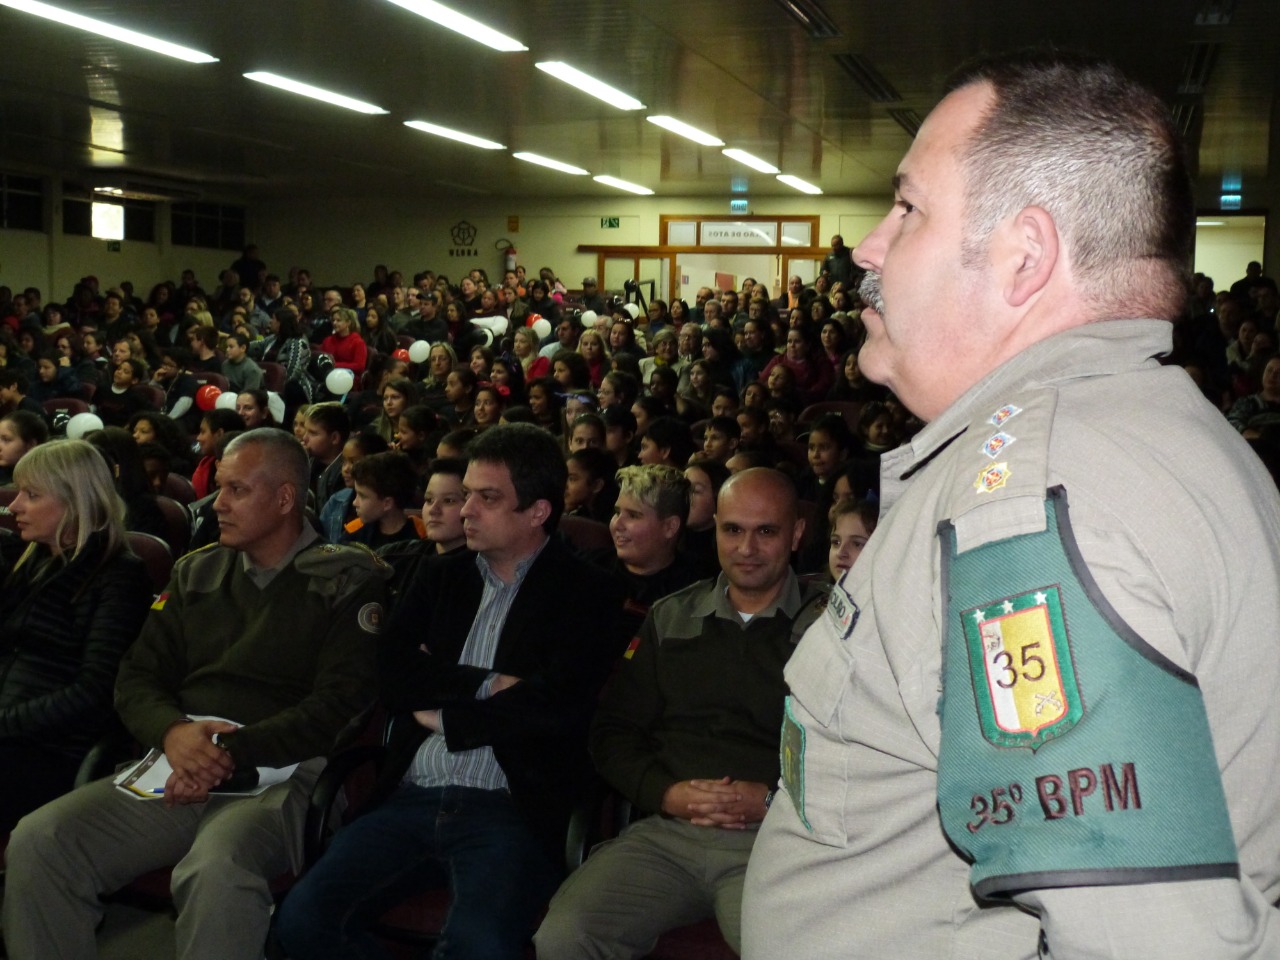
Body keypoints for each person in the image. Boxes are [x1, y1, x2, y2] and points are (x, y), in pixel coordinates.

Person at [741, 51, 1280, 959]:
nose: (869, 247)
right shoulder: (1159, 430)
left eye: (908, 208)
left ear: (1023, 256)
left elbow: (1142, 940)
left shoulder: (1027, 501)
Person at [3, 429, 389, 960]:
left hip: (282, 773)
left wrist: (224, 754)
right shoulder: (196, 570)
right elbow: (136, 677)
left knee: (216, 870)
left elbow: (338, 708)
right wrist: (173, 733)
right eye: (221, 488)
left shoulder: (346, 579)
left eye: (236, 490)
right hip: (179, 760)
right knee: (41, 841)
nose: (217, 504)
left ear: (283, 499)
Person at [275, 423, 629, 960]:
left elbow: (560, 706)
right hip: (411, 795)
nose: (466, 511)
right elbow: (393, 674)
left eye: (487, 498)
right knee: (298, 924)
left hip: (511, 806)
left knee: (479, 946)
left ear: (537, 512)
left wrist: (449, 716)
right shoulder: (439, 576)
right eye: (466, 495)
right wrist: (488, 683)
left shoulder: (589, 592)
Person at [535, 468, 825, 958]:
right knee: (563, 937)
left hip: (778, 839)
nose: (746, 548)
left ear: (796, 534)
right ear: (712, 530)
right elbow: (613, 733)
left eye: (766, 531)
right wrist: (665, 793)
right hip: (669, 834)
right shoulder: (671, 617)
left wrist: (778, 799)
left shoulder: (832, 628)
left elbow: (864, 753)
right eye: (732, 530)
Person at [0, 440, 152, 835]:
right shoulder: (34, 559)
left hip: (49, 752)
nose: (14, 506)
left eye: (31, 495)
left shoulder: (119, 577)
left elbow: (95, 693)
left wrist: (5, 723)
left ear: (76, 501)